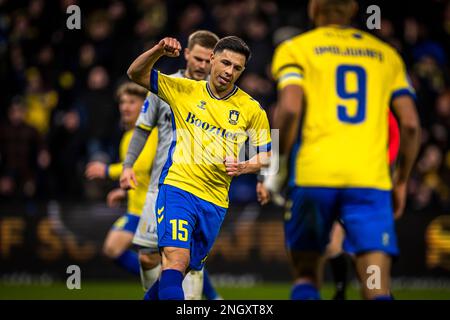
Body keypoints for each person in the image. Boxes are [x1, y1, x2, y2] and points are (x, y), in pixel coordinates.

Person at [271, 0, 420, 300]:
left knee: (307, 274)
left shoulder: (297, 48)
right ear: (353, 10)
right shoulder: (386, 55)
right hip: (369, 182)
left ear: (313, 8)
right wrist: (401, 179)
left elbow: (288, 108)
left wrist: (280, 164)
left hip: (315, 177)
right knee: (376, 284)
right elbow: (411, 125)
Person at [123, 35, 272, 300]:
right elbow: (135, 73)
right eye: (225, 62)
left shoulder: (252, 109)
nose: (229, 71)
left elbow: (269, 155)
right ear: (212, 59)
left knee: (181, 269)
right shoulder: (184, 89)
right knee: (175, 260)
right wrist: (158, 51)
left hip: (214, 202)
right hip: (177, 188)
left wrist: (244, 167)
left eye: (237, 68)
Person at [123, 30, 222, 300]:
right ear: (187, 54)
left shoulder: (219, 94)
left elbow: (256, 134)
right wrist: (127, 165)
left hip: (197, 187)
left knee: (181, 260)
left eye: (208, 60)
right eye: (198, 58)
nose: (202, 65)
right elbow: (142, 129)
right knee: (147, 257)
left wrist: (259, 175)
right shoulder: (166, 86)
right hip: (159, 184)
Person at [85, 82, 158, 276]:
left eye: (131, 102)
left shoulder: (153, 132)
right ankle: (162, 283)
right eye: (123, 102)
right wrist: (123, 191)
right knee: (111, 249)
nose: (125, 107)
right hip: (136, 208)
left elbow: (141, 166)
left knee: (178, 261)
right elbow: (137, 175)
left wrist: (107, 170)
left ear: (145, 106)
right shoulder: (128, 137)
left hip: (153, 210)